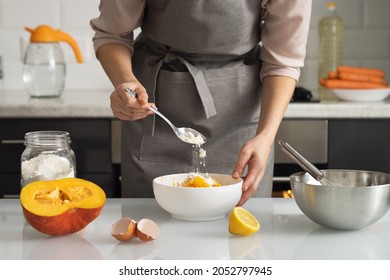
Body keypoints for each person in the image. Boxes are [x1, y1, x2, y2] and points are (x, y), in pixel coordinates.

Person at [90, 0, 312, 206]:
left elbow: (283, 61)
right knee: (148, 233)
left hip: (241, 122)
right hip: (154, 111)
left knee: (242, 239)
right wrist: (125, 82)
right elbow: (113, 34)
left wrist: (265, 136)